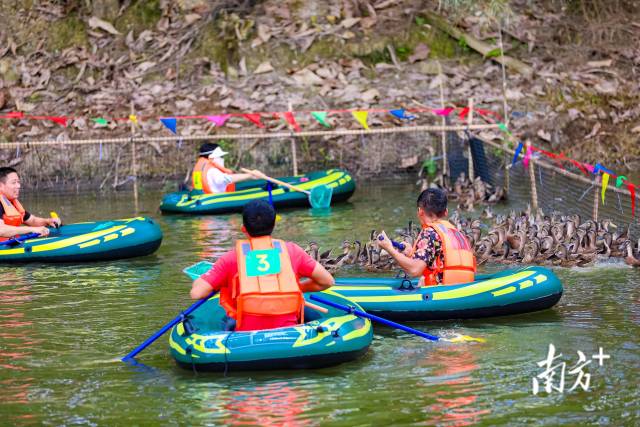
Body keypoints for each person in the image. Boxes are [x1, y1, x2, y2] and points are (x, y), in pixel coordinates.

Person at [190, 200, 335, 331]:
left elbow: (197, 293)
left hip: (246, 337)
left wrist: (200, 279)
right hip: (290, 334)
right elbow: (327, 281)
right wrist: (297, 288)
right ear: (274, 225)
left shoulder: (230, 259)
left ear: (243, 229)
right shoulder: (293, 251)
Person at [378, 188, 475, 286]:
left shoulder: (429, 233)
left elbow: (415, 270)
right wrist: (411, 253)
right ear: (446, 212)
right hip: (464, 289)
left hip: (441, 294)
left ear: (420, 211)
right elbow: (439, 258)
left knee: (420, 282)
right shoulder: (457, 232)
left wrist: (390, 249)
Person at [0, 167, 62, 241]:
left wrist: (48, 221)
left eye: (18, 182)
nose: (18, 186)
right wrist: (32, 229)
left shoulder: (11, 202)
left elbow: (32, 220)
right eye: (14, 183)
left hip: (11, 244)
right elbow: (1, 230)